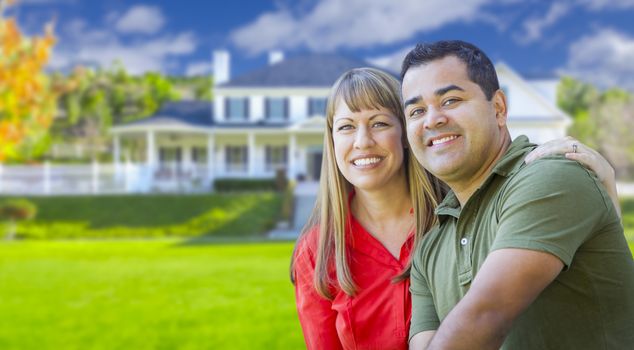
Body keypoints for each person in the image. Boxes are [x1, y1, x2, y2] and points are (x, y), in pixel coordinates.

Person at [291, 67, 621, 350]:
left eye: (379, 123)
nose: (362, 141)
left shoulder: (459, 213)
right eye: (346, 127)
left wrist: (604, 189)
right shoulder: (317, 252)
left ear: (406, 132)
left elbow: (584, 285)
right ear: (331, 140)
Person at [401, 40, 634, 349]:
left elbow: (486, 314)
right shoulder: (429, 248)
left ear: (498, 108)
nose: (432, 120)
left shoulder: (550, 176)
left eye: (451, 100)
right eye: (417, 111)